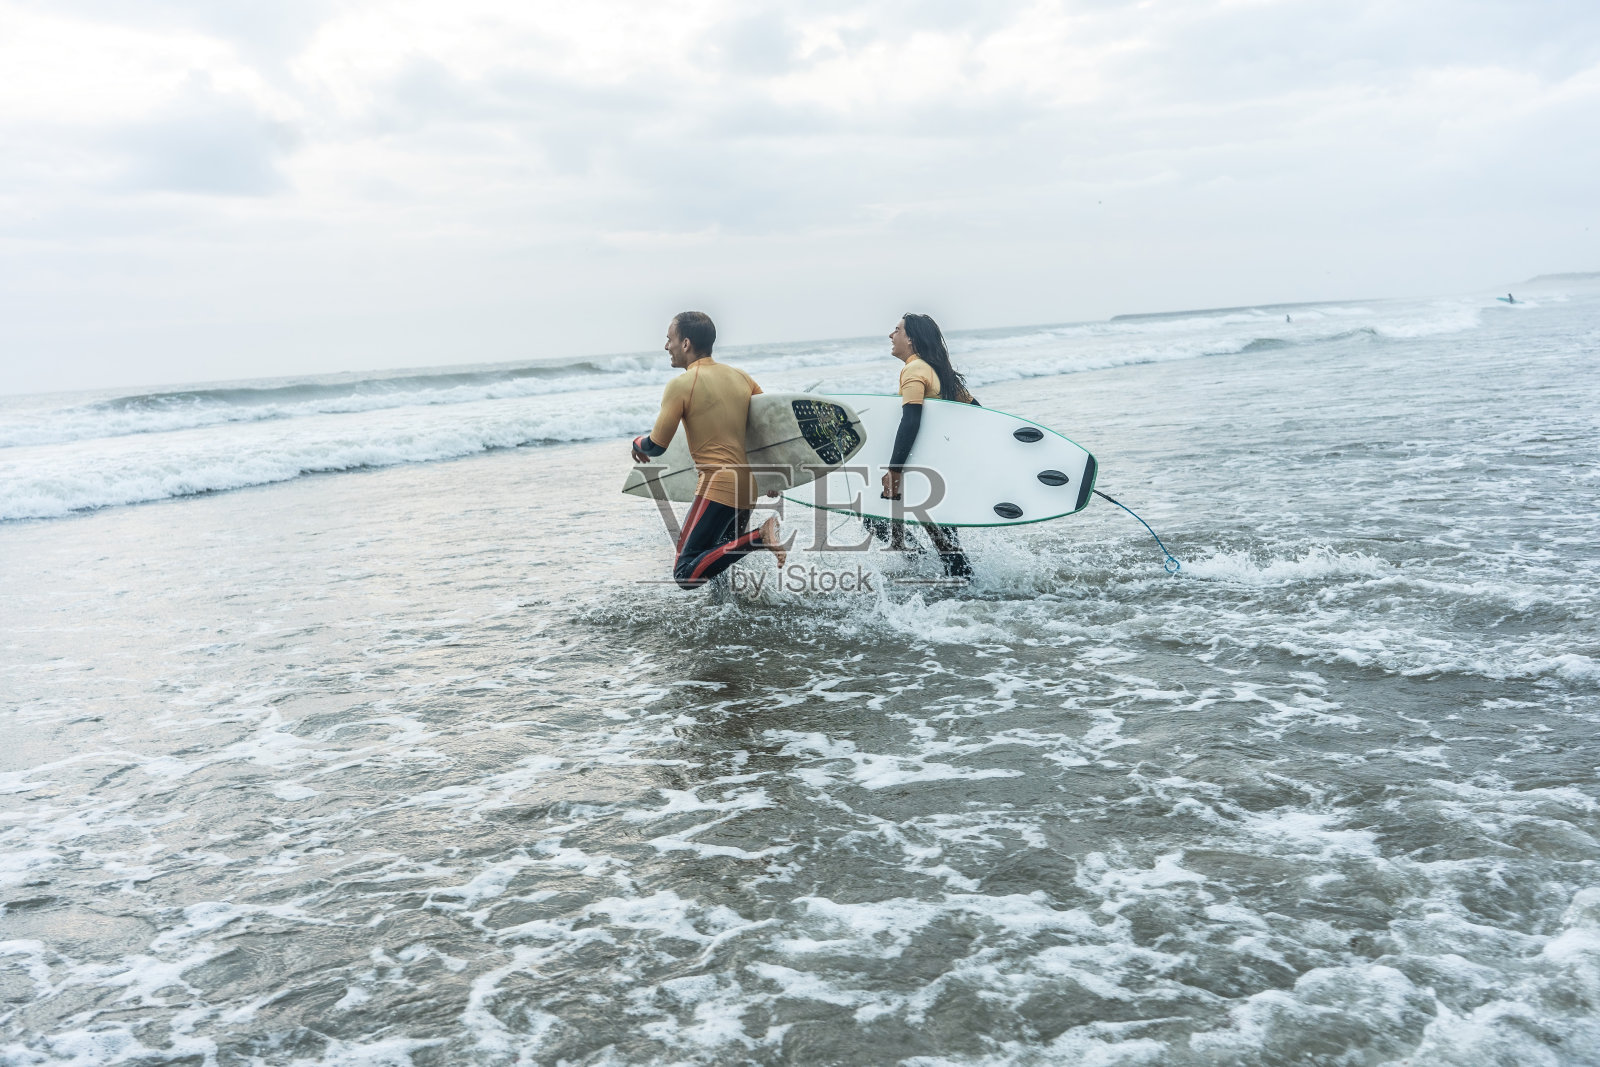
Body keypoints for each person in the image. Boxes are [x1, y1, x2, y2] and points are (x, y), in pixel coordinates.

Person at [631, 311, 786, 589]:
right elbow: (765, 431)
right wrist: (771, 476)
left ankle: (759, 537)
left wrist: (636, 443)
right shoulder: (741, 376)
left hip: (717, 485)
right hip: (747, 487)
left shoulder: (680, 385)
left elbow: (656, 446)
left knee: (686, 573)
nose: (667, 346)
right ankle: (732, 621)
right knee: (717, 565)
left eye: (670, 339)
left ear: (686, 343)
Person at [868, 313, 975, 579]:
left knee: (874, 518)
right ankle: (955, 580)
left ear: (911, 340)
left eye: (897, 330)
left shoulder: (914, 369)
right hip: (940, 467)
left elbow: (911, 419)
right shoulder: (939, 372)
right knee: (945, 541)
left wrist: (895, 471)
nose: (891, 335)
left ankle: (922, 562)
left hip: (922, 469)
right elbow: (977, 414)